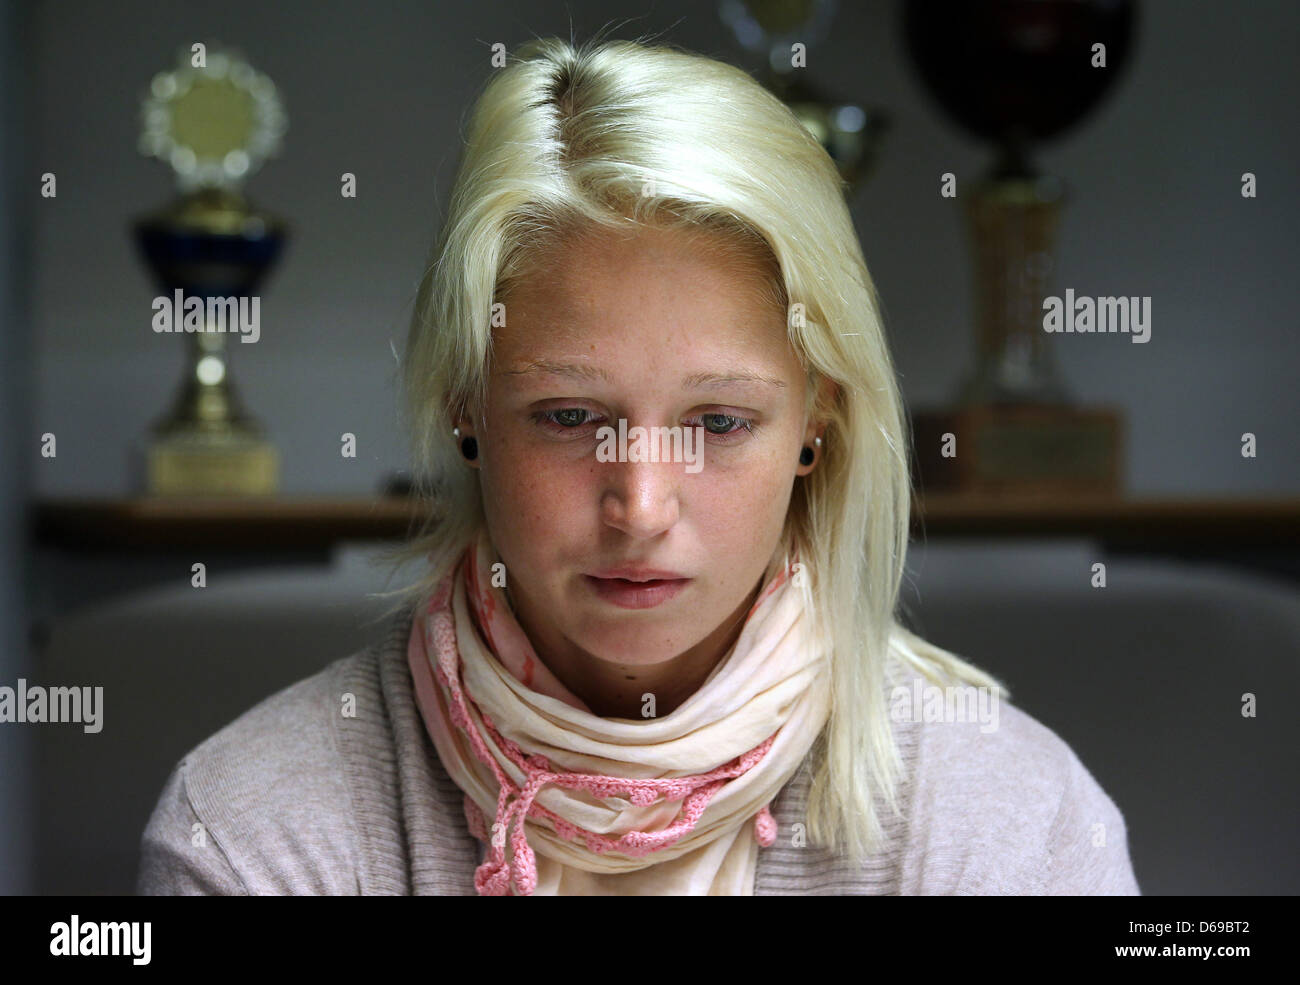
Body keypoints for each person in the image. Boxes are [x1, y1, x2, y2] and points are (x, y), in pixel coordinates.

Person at [137, 34, 1140, 896]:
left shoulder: (1010, 824)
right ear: (464, 410)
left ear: (816, 422)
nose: (641, 506)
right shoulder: (253, 832)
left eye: (718, 421)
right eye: (570, 415)